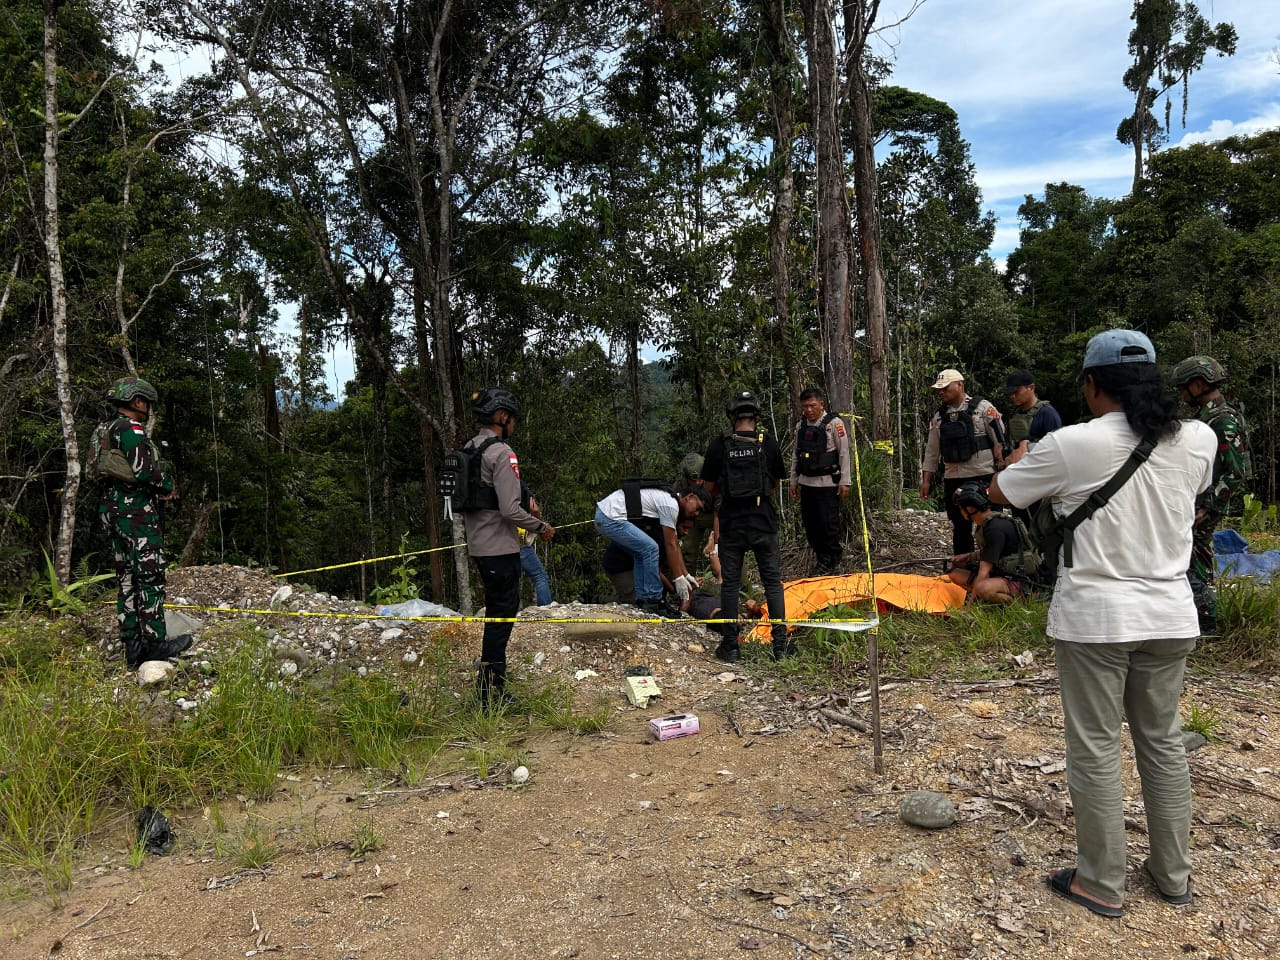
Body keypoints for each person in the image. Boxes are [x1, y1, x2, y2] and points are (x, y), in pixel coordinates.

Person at [990, 330, 1216, 919]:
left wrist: (1019, 460)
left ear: (1092, 385)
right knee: (1163, 743)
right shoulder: (1199, 438)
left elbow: (1002, 493)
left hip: (1096, 618)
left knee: (1095, 748)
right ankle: (1173, 877)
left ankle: (1100, 883)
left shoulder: (1071, 444)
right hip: (1170, 614)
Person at [460, 388, 555, 706]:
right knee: (501, 621)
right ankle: (489, 694)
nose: (514, 424)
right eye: (512, 418)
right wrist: (542, 528)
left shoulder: (471, 447)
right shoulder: (502, 453)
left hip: (478, 545)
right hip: (500, 549)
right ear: (502, 417)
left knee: (497, 617)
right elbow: (511, 510)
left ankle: (491, 685)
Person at [93, 376, 188, 670]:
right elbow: (145, 471)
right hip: (135, 513)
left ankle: (132, 647)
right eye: (145, 402)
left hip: (111, 509)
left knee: (126, 578)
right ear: (136, 401)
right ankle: (156, 645)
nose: (147, 408)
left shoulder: (104, 429)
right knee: (150, 576)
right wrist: (168, 484)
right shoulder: (130, 429)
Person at [701, 390, 789, 662]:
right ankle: (780, 646)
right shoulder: (768, 443)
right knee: (772, 583)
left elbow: (707, 487)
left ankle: (731, 645)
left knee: (729, 585)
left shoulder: (720, 444)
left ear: (732, 417)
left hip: (732, 522)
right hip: (763, 521)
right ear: (757, 416)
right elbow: (775, 483)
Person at [1170, 355, 1252, 636]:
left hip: (1204, 505)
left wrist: (1208, 506)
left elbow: (1236, 472)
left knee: (1198, 564)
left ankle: (1207, 625)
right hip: (1194, 501)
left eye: (1184, 387)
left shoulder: (1223, 421)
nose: (1182, 393)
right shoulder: (1205, 418)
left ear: (1198, 385)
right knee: (1189, 562)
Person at [594, 480, 710, 619]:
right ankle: (653, 599)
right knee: (650, 548)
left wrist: (685, 575)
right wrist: (678, 578)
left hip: (607, 515)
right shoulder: (670, 504)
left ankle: (643, 599)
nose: (696, 513)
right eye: (697, 508)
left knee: (642, 552)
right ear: (689, 497)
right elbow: (671, 544)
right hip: (609, 517)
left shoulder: (670, 501)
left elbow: (674, 544)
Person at [919, 368, 1005, 557]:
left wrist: (1002, 467)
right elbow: (932, 451)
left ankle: (993, 564)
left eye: (945, 388)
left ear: (960, 385)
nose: (941, 392)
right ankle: (963, 566)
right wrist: (926, 480)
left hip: (983, 475)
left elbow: (999, 439)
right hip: (954, 477)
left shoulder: (983, 408)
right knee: (960, 525)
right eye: (938, 389)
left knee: (991, 523)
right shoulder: (939, 417)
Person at [788, 387, 851, 575]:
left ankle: (834, 560)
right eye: (805, 406)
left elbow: (844, 453)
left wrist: (845, 480)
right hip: (807, 484)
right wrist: (793, 480)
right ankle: (822, 560)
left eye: (812, 405)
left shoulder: (834, 424)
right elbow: (796, 455)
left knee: (828, 524)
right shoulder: (801, 426)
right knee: (811, 525)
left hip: (827, 484)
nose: (808, 410)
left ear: (821, 404)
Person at [946, 482, 1040, 605]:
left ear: (970, 509)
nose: (961, 512)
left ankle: (1019, 604)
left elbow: (983, 572)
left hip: (1021, 582)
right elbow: (993, 551)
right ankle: (990, 599)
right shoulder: (988, 523)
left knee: (982, 587)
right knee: (955, 574)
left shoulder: (993, 529)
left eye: (961, 508)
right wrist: (968, 556)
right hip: (1002, 576)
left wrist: (968, 609)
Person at [1002, 370, 1062, 466]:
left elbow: (1057, 448)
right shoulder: (1014, 414)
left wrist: (1028, 445)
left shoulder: (1047, 413)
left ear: (1031, 387)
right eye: (1010, 393)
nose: (1012, 396)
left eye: (1016, 391)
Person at [676, 452, 720, 581]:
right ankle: (689, 583)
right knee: (688, 550)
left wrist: (717, 543)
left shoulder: (716, 479)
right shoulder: (680, 485)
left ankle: (743, 588)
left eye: (700, 478)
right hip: (692, 518)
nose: (698, 482)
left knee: (730, 546)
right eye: (693, 480)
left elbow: (720, 512)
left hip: (716, 515)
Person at [517, 484, 552, 606]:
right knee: (539, 576)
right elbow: (534, 508)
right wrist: (539, 525)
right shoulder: (519, 484)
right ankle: (545, 609)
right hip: (521, 537)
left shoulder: (495, 483)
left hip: (500, 539)